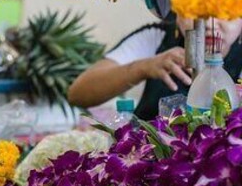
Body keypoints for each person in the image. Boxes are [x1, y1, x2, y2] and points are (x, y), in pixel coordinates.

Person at [68, 17, 242, 119]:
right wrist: (144, 67)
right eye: (197, 11)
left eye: (226, 11)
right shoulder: (157, 37)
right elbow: (78, 94)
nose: (211, 23)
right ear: (177, 10)